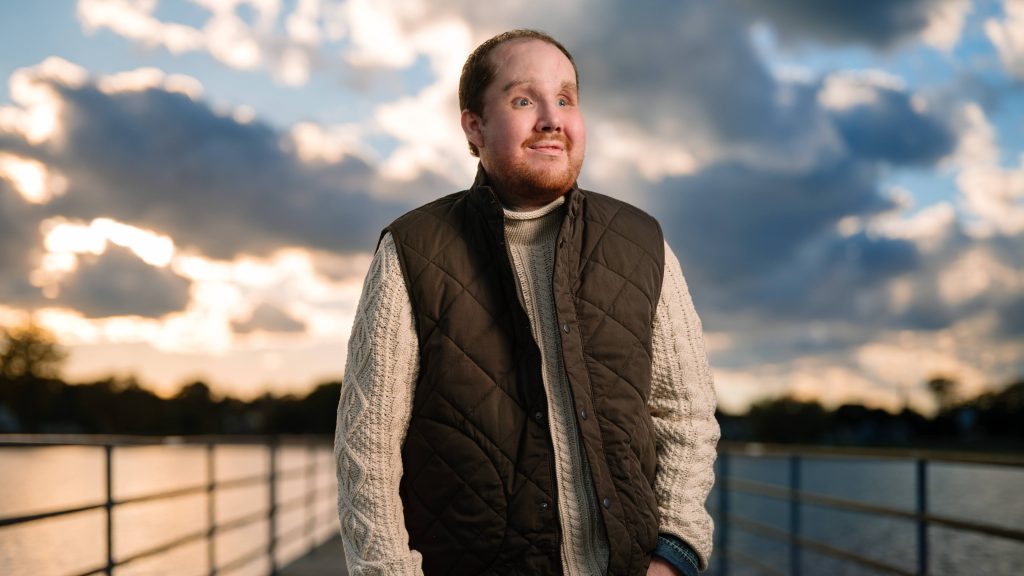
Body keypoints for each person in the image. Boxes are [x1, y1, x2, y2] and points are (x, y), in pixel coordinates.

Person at [335, 29, 719, 576]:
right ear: (474, 125)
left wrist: (672, 554)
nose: (551, 118)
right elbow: (366, 453)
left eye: (565, 99)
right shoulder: (413, 249)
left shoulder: (643, 243)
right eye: (522, 100)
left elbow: (687, 417)